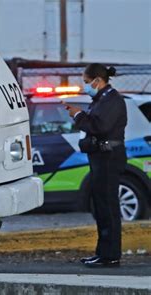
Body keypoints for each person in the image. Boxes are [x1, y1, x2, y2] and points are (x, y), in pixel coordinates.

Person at [63, 63, 127, 268]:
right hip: (100, 158)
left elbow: (100, 126)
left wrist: (78, 115)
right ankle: (103, 252)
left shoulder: (112, 100)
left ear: (98, 81)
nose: (85, 87)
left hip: (108, 159)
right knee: (100, 207)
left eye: (87, 82)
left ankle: (110, 255)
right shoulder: (100, 99)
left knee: (107, 207)